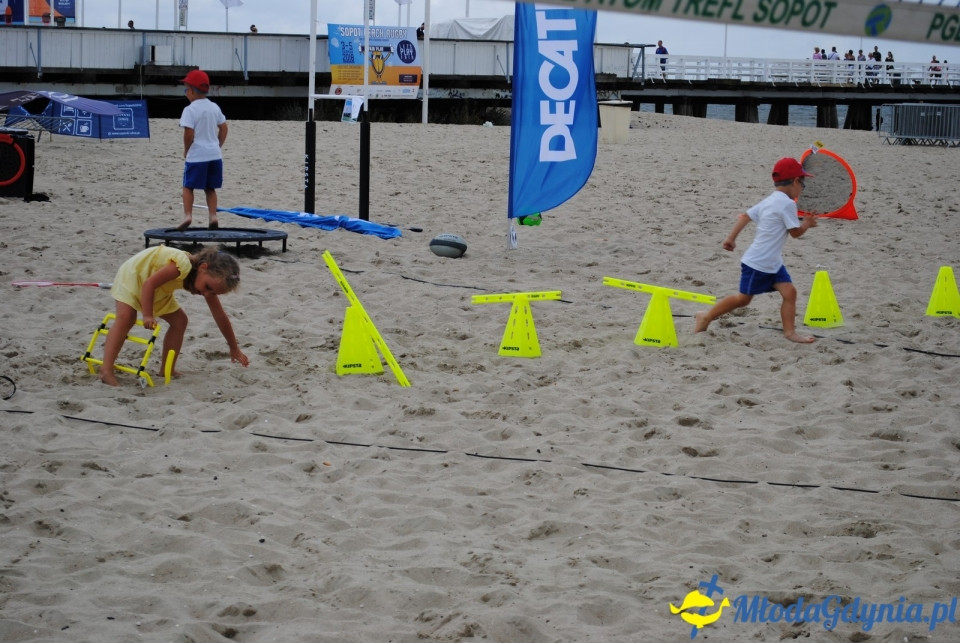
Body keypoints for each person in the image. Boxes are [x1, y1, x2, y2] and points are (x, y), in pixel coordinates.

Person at [695, 157, 818, 344]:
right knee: (743, 299)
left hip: (772, 262)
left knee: (789, 292)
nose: (802, 188)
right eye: (803, 183)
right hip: (759, 263)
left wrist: (731, 238)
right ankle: (706, 316)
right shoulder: (787, 204)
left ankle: (790, 332)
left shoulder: (770, 200)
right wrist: (807, 223)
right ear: (795, 181)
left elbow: (746, 216)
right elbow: (795, 233)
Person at [99, 246, 249, 386]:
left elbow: (220, 316)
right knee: (127, 317)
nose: (207, 294)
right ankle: (106, 370)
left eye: (214, 293)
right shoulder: (182, 264)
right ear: (203, 267)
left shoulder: (206, 285)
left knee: (180, 321)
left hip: (158, 289)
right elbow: (149, 284)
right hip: (134, 275)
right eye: (208, 287)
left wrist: (234, 348)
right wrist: (147, 315)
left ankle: (167, 369)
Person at [177, 69, 227, 230]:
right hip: (214, 155)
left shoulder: (190, 110)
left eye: (186, 89)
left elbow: (188, 133)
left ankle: (188, 215)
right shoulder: (214, 107)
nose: (186, 93)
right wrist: (218, 145)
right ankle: (213, 216)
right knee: (210, 188)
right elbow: (224, 128)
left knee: (188, 186)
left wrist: (186, 150)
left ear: (191, 91)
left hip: (197, 155)